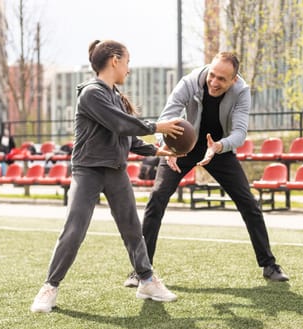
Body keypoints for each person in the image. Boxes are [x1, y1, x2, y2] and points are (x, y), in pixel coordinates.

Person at [30, 40, 185, 313]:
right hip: (87, 170)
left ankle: (146, 280)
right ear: (114, 60)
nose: (129, 68)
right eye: (127, 61)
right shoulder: (91, 94)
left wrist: (158, 150)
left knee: (132, 230)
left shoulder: (114, 97)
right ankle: (49, 287)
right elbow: (119, 124)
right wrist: (157, 126)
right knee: (74, 230)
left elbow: (126, 137)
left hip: (115, 170)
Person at [124, 52, 289, 288]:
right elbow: (167, 116)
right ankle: (141, 270)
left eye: (222, 79)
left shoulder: (241, 91)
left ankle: (269, 265)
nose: (214, 82)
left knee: (248, 203)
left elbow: (240, 133)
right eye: (212, 75)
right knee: (157, 199)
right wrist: (164, 144)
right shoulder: (189, 82)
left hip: (218, 148)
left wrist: (219, 147)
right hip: (182, 147)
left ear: (233, 80)